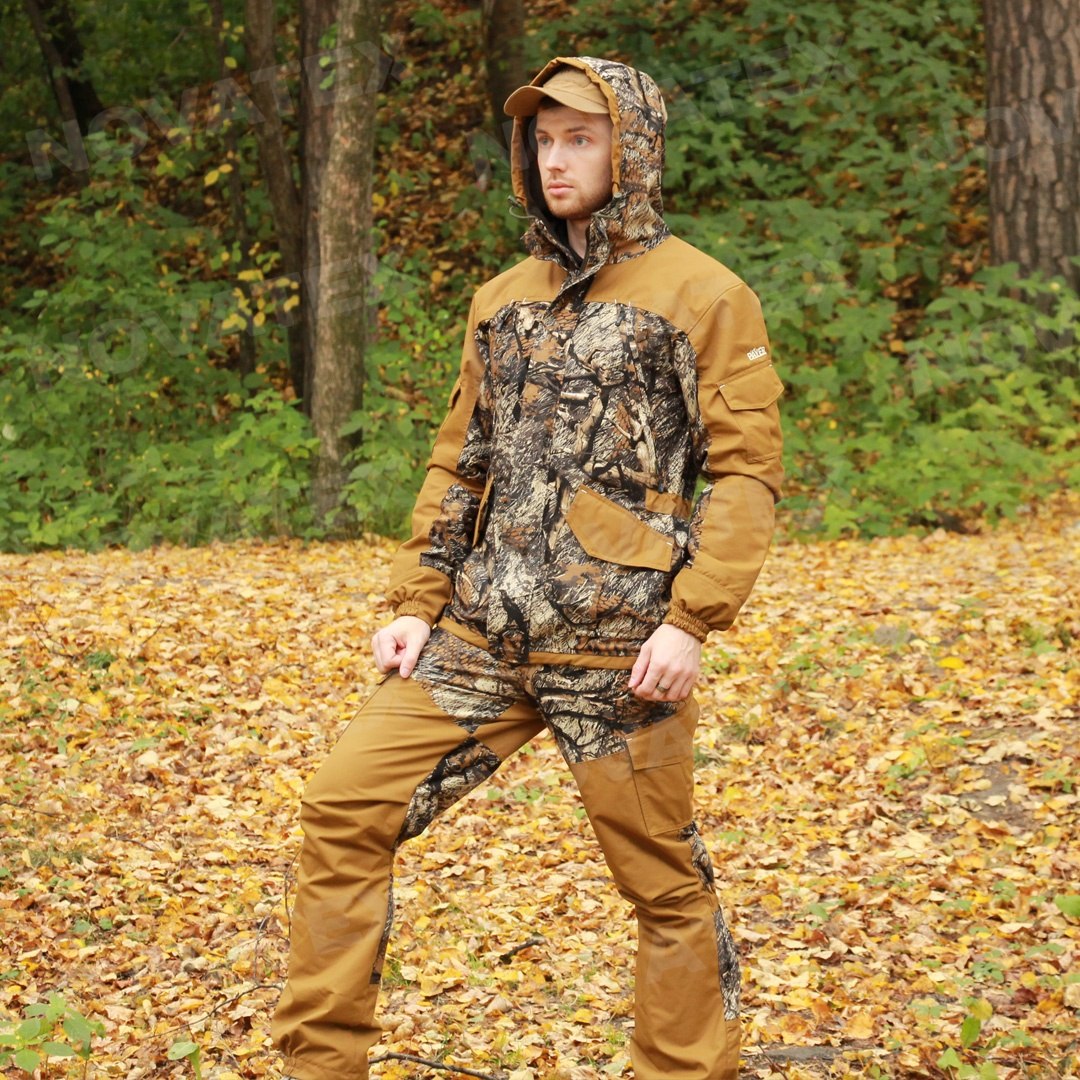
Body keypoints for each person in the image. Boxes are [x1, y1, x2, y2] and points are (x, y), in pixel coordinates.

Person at [272, 56, 784, 1080]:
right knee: (343, 806)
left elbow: (746, 475)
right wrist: (417, 601)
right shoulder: (503, 300)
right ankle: (319, 1068)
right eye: (544, 141)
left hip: (620, 653)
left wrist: (690, 621)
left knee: (663, 883)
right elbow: (459, 463)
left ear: (633, 150)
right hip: (481, 635)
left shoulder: (705, 294)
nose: (557, 160)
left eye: (580, 139)